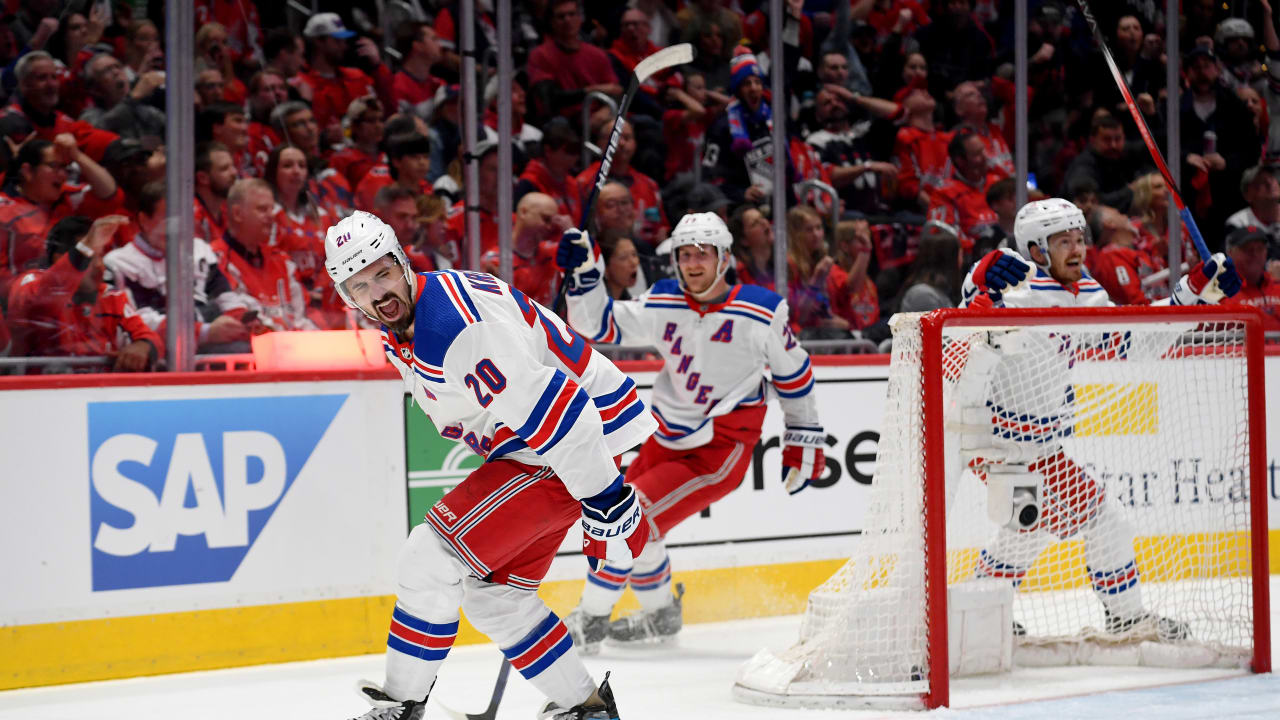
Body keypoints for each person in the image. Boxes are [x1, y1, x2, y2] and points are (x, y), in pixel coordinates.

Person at [326, 212, 654, 720]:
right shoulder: (408, 321)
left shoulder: (451, 328)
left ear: (402, 261)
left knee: (428, 558)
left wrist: (607, 495)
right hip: (547, 441)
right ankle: (585, 709)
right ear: (347, 297)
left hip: (566, 443)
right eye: (359, 285)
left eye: (382, 273)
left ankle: (401, 707)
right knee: (496, 598)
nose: (377, 292)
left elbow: (558, 410)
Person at [952, 198, 1241, 641]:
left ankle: (978, 612)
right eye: (1062, 241)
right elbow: (968, 316)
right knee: (1104, 521)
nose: (1077, 249)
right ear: (1035, 250)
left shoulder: (1087, 291)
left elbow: (1133, 343)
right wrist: (979, 276)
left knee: (1026, 529)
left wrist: (1193, 290)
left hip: (1038, 446)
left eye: (1079, 238)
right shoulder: (1017, 287)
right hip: (994, 441)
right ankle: (1125, 617)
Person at [557, 212, 824, 650]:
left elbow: (794, 376)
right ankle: (661, 612)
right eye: (685, 254)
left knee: (627, 519)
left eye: (703, 254)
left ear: (724, 259)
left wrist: (802, 440)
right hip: (663, 436)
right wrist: (585, 273)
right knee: (631, 520)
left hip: (720, 448)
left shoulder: (760, 310)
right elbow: (597, 323)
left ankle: (591, 619)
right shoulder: (663, 301)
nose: (693, 263)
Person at [104, 182, 250, 351]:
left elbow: (226, 298)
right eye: (169, 218)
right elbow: (140, 323)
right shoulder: (119, 264)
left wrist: (244, 320)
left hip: (207, 347)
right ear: (144, 220)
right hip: (160, 359)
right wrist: (205, 332)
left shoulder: (200, 250)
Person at [6, 214, 159, 370]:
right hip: (36, 391)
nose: (100, 266)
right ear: (60, 259)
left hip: (99, 392)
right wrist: (84, 249)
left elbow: (148, 335)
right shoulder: (29, 284)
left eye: (101, 256)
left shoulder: (110, 296)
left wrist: (142, 346)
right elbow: (44, 300)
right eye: (91, 257)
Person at [895, 219, 963, 313]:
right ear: (947, 258)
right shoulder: (923, 295)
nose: (961, 260)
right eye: (960, 254)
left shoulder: (942, 291)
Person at [1221, 225, 1280, 331]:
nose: (1255, 254)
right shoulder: (1220, 293)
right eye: (1247, 249)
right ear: (1230, 253)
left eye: (1260, 248)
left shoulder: (1277, 286)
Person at [826, 215, 880, 330]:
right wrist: (865, 251)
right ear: (845, 246)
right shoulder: (834, 273)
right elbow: (851, 287)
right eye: (861, 240)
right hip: (847, 342)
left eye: (868, 239)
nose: (868, 245)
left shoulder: (868, 281)